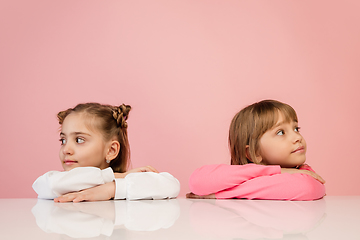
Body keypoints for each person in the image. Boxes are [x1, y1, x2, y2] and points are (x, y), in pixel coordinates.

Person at [33, 103, 180, 202]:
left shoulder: (125, 183)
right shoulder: (60, 182)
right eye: (63, 141)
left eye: (79, 140)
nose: (66, 150)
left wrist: (112, 188)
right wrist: (113, 176)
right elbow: (47, 185)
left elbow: (171, 185)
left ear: (111, 150)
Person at [187, 100, 325, 200]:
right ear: (254, 153)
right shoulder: (240, 175)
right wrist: (277, 170)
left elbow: (308, 187)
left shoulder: (303, 173)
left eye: (296, 129)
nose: (297, 137)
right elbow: (197, 181)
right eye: (281, 132)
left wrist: (222, 194)